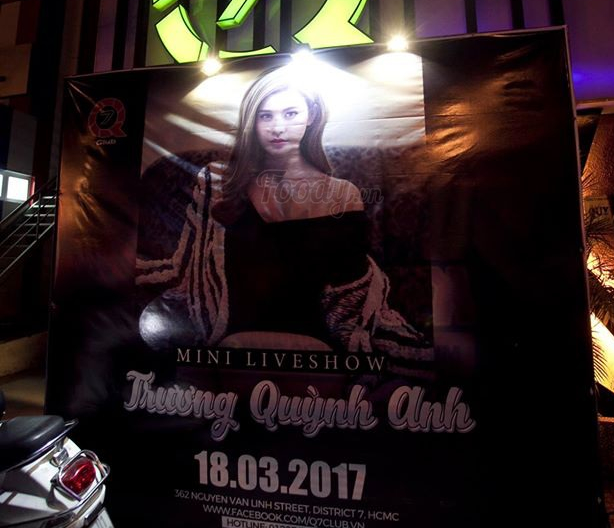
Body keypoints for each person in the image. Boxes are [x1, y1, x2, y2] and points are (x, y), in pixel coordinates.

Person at [137, 64, 433, 376]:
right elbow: (195, 271)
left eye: (291, 114)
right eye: (266, 116)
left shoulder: (343, 194)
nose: (278, 127)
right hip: (231, 343)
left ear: (311, 115)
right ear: (252, 122)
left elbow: (350, 292)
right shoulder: (217, 183)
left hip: (317, 347)